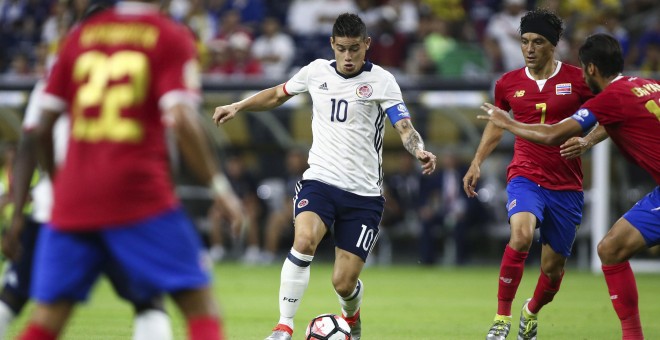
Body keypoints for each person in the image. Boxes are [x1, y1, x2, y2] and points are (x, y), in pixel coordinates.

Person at [8, 0, 243, 338]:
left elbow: (40, 129)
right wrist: (219, 187)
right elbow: (181, 118)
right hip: (138, 194)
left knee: (47, 319)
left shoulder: (79, 38)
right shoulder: (169, 37)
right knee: (199, 305)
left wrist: (62, 185)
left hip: (75, 198)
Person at [213, 13, 437, 340]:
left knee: (343, 283)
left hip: (364, 196)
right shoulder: (315, 71)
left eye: (355, 49)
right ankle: (283, 326)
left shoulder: (383, 80)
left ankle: (352, 316)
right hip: (320, 180)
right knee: (303, 241)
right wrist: (239, 105)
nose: (348, 57)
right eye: (342, 49)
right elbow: (277, 94)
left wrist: (418, 150)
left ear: (367, 46)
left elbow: (404, 126)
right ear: (332, 44)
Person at [478, 33, 660, 340]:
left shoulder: (609, 97)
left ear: (590, 69)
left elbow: (553, 135)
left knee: (588, 257)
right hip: (529, 177)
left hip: (566, 187)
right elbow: (610, 119)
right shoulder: (646, 84)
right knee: (610, 248)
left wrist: (505, 122)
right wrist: (588, 140)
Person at [462, 8, 598, 340]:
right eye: (524, 42)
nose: (530, 49)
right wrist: (477, 161)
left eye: (538, 42)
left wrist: (588, 140)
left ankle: (531, 310)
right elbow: (498, 125)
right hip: (525, 175)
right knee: (521, 236)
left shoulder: (579, 80)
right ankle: (501, 318)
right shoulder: (507, 83)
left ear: (554, 45)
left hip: (566, 184)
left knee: (552, 272)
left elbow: (611, 114)